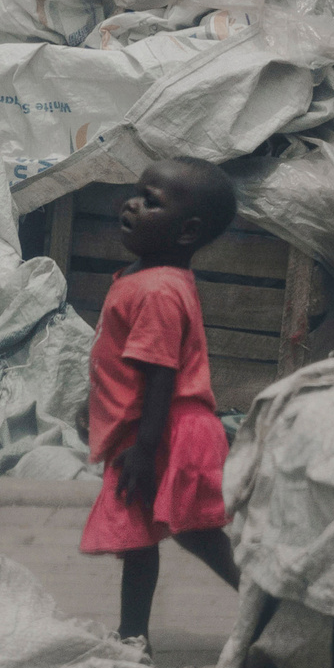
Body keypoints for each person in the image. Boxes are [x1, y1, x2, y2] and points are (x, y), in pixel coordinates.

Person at [79, 156, 241, 641]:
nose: (131, 204)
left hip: (165, 435)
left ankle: (270, 607)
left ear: (187, 231)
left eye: (150, 202)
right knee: (148, 538)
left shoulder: (157, 291)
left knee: (189, 536)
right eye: (135, 192)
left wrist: (144, 450)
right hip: (154, 431)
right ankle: (134, 637)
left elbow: (161, 376)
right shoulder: (149, 276)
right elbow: (131, 367)